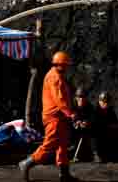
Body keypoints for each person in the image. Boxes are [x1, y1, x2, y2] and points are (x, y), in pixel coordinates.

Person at [19, 52, 78, 182]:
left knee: (63, 145)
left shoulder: (57, 76)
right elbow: (60, 100)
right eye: (65, 65)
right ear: (60, 65)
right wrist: (71, 114)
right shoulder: (55, 78)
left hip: (60, 116)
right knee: (49, 145)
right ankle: (27, 163)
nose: (67, 67)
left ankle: (64, 174)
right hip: (54, 117)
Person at [93, 91, 118, 163]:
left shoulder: (110, 110)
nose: (105, 104)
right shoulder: (95, 110)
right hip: (98, 133)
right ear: (100, 101)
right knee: (95, 132)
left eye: (107, 102)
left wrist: (117, 126)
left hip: (108, 132)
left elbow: (115, 121)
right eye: (104, 102)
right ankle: (96, 154)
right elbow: (94, 123)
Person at [71, 87, 95, 162]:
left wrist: (86, 122)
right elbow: (69, 116)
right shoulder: (72, 105)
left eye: (83, 97)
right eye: (79, 97)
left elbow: (92, 117)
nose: (81, 99)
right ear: (76, 97)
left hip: (85, 129)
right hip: (73, 129)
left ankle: (94, 153)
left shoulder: (89, 106)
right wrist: (75, 122)